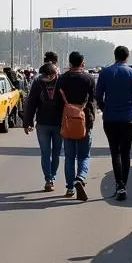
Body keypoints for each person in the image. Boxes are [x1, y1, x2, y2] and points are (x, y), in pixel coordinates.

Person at [95, 45, 132, 201]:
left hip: (110, 118)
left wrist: (105, 108)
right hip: (128, 118)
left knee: (114, 152)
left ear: (115, 56)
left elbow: (98, 95)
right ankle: (123, 184)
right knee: (125, 151)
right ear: (127, 57)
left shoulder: (105, 72)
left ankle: (118, 184)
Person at [56, 50, 96, 201]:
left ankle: (69, 187)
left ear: (69, 63)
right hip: (85, 121)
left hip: (67, 121)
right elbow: (93, 99)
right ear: (82, 63)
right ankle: (80, 177)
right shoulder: (89, 79)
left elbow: (57, 102)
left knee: (69, 156)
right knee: (84, 155)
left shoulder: (62, 79)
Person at [22, 62, 63, 191]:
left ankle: (52, 176)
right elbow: (31, 103)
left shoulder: (62, 82)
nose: (43, 78)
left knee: (56, 153)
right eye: (42, 75)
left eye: (46, 76)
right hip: (43, 124)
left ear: (53, 75)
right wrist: (27, 122)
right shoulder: (38, 83)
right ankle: (48, 179)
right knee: (45, 153)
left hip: (59, 124)